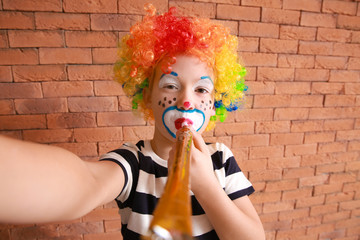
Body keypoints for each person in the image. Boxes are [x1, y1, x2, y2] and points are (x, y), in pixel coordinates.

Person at [0, 5, 265, 240]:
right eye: (171, 85)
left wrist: (206, 185)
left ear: (215, 101)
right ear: (147, 96)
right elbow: (85, 183)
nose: (186, 101)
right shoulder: (132, 163)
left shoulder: (221, 160)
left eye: (201, 90)